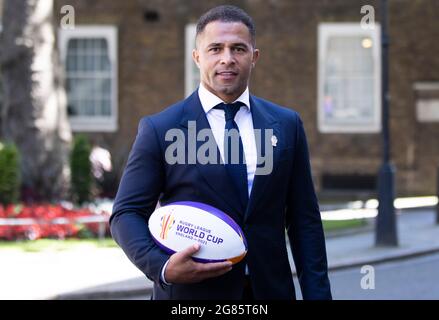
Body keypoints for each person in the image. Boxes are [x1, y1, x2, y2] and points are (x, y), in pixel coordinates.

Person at [110, 5, 332, 300]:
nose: (227, 58)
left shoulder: (286, 125)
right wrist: (162, 267)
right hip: (191, 297)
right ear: (197, 57)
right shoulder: (160, 129)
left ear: (254, 58)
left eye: (238, 48)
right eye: (215, 48)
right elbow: (126, 213)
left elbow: (305, 221)